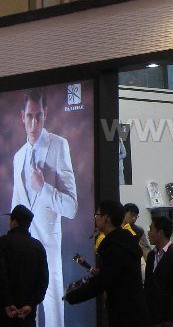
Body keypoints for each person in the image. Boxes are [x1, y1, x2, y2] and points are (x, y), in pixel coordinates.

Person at [11, 88, 78, 327]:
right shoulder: (18, 157)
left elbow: (71, 207)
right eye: (29, 116)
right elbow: (16, 207)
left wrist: (43, 188)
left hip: (49, 249)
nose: (34, 122)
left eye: (38, 115)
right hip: (22, 253)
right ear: (22, 116)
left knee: (52, 308)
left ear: (46, 113)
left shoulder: (59, 145)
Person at [64, 200, 149, 327]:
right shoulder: (124, 241)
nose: (95, 218)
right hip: (132, 311)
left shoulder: (115, 247)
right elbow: (116, 274)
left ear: (107, 218)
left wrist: (72, 296)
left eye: (98, 215)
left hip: (126, 315)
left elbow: (102, 282)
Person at [0, 205, 48, 327]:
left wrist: (7, 302)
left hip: (4, 315)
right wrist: (30, 304)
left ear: (14, 222)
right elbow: (43, 280)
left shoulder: (3, 243)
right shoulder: (38, 247)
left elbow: (1, 275)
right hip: (27, 317)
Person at [144, 216, 173, 327]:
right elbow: (148, 285)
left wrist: (172, 319)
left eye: (151, 229)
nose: (148, 233)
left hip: (167, 319)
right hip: (151, 316)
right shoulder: (151, 255)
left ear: (160, 233)